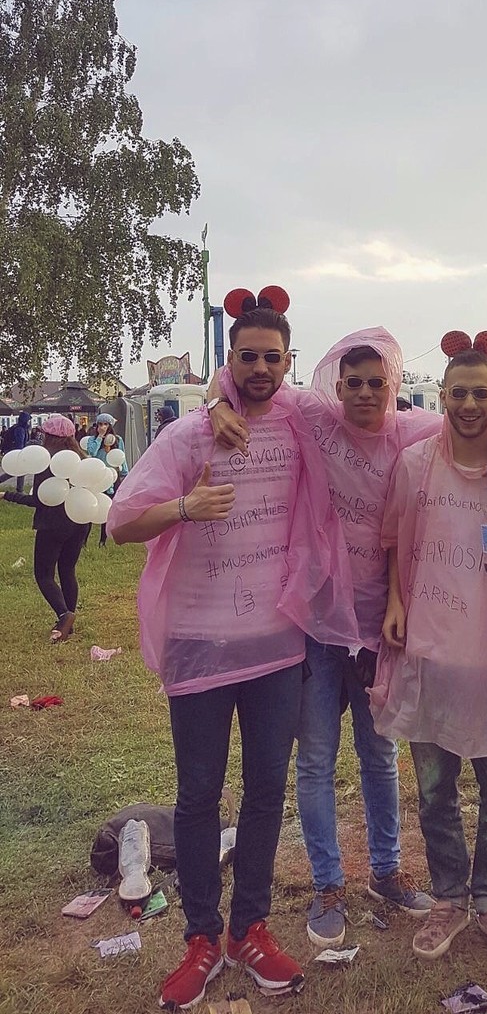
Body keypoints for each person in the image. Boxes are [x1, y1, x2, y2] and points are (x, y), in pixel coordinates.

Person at [207, 328, 487, 948]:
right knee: (317, 758)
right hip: (321, 624)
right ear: (336, 385)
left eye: (377, 383)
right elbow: (255, 378)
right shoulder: (317, 421)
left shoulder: (412, 431)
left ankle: (387, 872)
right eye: (352, 383)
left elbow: (478, 413)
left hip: (385, 624)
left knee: (380, 756)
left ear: (393, 385)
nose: (364, 394)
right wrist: (218, 400)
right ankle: (328, 884)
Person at [108, 288, 357, 1011]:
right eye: (247, 356)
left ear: (288, 362)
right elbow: (121, 522)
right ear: (230, 359)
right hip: (199, 647)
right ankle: (201, 938)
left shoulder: (302, 421)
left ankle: (249, 928)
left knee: (266, 791)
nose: (260, 368)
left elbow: (385, 422)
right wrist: (185, 507)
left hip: (276, 649)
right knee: (198, 795)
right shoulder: (189, 436)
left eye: (272, 358)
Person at [370, 331, 487, 965]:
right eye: (458, 393)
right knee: (436, 792)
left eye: (481, 394)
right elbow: (394, 539)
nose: (469, 405)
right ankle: (447, 898)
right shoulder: (415, 463)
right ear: (441, 396)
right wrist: (395, 602)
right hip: (431, 647)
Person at [3, 415, 91, 642]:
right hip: (80, 522)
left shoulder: (46, 461)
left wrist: (7, 495)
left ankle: (64, 615)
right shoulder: (82, 458)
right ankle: (68, 624)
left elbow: (40, 500)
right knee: (67, 571)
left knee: (44, 575)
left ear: (49, 436)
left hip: (53, 525)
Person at [83, 413, 129, 545]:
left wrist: (125, 473)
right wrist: (99, 438)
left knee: (107, 508)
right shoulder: (92, 439)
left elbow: (121, 457)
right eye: (100, 424)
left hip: (112, 477)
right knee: (91, 506)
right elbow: (92, 452)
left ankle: (103, 540)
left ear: (110, 426)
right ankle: (84, 540)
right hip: (96, 476)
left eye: (105, 424)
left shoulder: (117, 440)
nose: (102, 427)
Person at [0, 411, 33, 492]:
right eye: (28, 420)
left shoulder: (18, 427)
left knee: (19, 471)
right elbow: (20, 443)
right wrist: (21, 454)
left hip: (13, 452)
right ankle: (20, 490)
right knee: (17, 471)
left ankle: (20, 490)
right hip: (15, 453)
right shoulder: (20, 429)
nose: (29, 422)